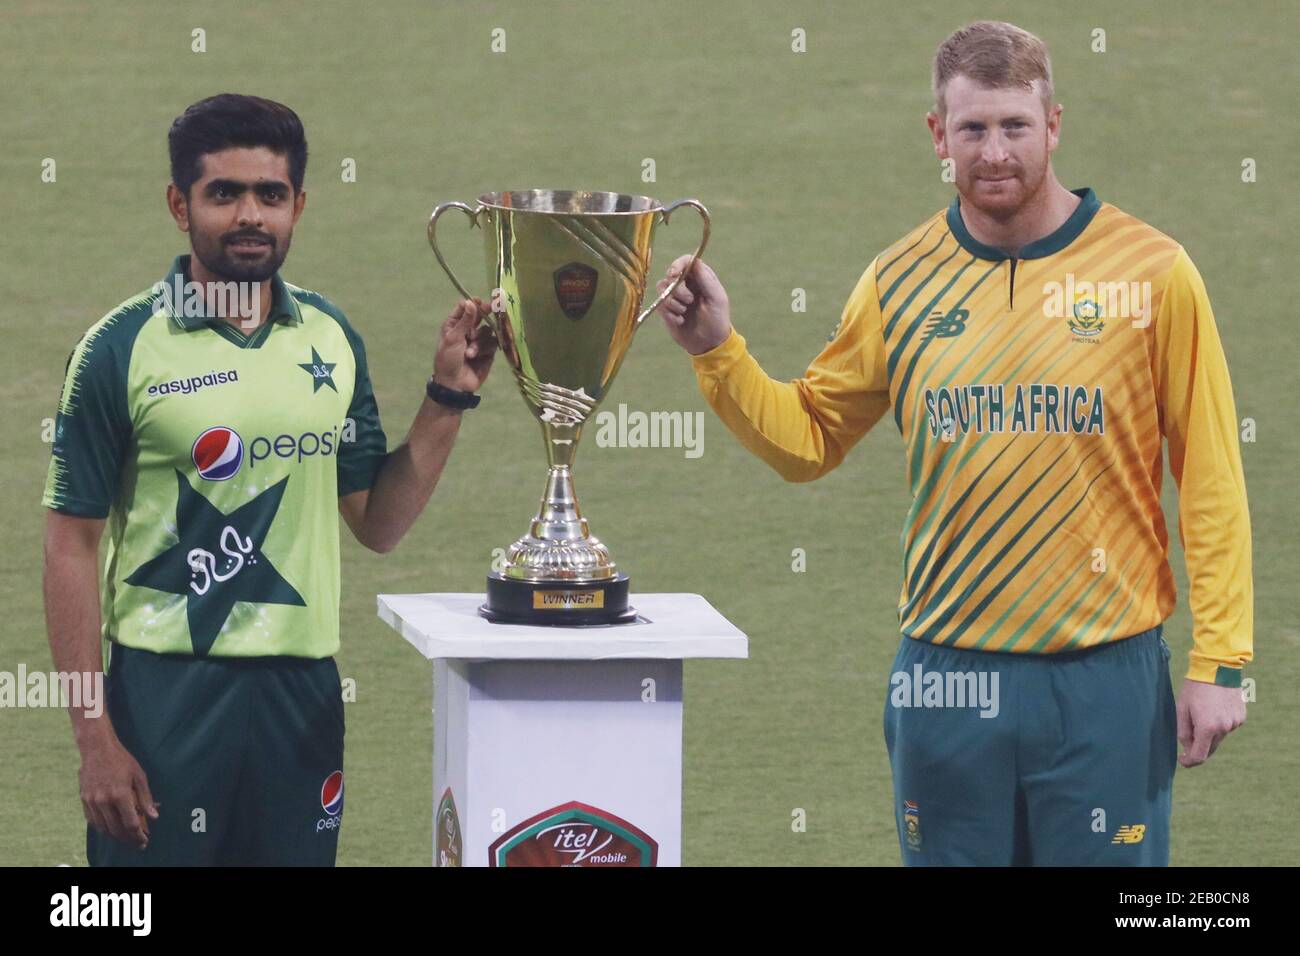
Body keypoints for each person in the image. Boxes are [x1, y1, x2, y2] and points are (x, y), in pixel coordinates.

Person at [654, 21, 1251, 866]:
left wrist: (1219, 660)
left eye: (1014, 125)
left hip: (1104, 682)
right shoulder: (898, 279)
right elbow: (810, 439)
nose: (995, 152)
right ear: (939, 135)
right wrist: (720, 352)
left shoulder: (1152, 273)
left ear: (1054, 124)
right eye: (972, 129)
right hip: (944, 677)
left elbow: (1213, 477)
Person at [41, 93, 496, 865]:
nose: (250, 215)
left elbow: (377, 523)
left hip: (301, 693)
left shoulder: (329, 338)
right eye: (225, 194)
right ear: (179, 205)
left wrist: (447, 398)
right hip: (162, 694)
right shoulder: (118, 348)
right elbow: (69, 547)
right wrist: (94, 736)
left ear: (299, 206)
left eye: (270, 195)